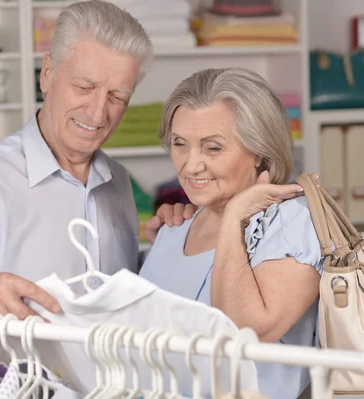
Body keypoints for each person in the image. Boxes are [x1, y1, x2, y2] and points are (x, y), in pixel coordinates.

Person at [0, 0, 192, 323]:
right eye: (84, 87)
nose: (97, 112)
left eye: (117, 97)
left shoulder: (119, 183)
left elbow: (117, 296)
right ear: (47, 74)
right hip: (14, 374)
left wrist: (167, 250)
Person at [138, 67, 322, 399]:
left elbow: (244, 333)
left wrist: (236, 215)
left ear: (259, 152)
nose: (190, 165)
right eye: (180, 144)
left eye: (213, 148)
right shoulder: (177, 226)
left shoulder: (293, 222)